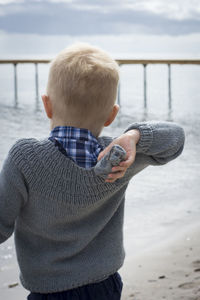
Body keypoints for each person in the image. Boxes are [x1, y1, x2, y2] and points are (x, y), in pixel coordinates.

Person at [0, 43, 185, 300]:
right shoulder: (120, 156)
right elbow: (175, 140)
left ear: (46, 105)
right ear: (111, 115)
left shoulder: (25, 157)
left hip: (47, 292)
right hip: (104, 286)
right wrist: (134, 134)